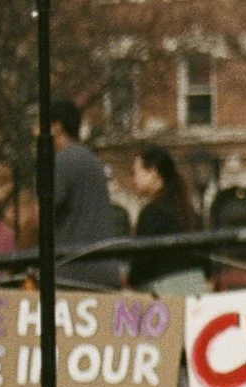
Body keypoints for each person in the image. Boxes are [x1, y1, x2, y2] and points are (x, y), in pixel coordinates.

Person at [45, 98, 127, 290]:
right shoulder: (93, 162)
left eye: (40, 125)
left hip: (70, 272)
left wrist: (21, 257)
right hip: (104, 270)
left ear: (56, 127)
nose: (35, 132)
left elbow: (37, 217)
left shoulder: (61, 162)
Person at [126, 145, 212, 297]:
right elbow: (207, 263)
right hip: (196, 291)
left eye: (135, 173)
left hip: (164, 296)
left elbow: (141, 266)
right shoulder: (189, 212)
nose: (133, 180)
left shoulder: (151, 213)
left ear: (153, 173)